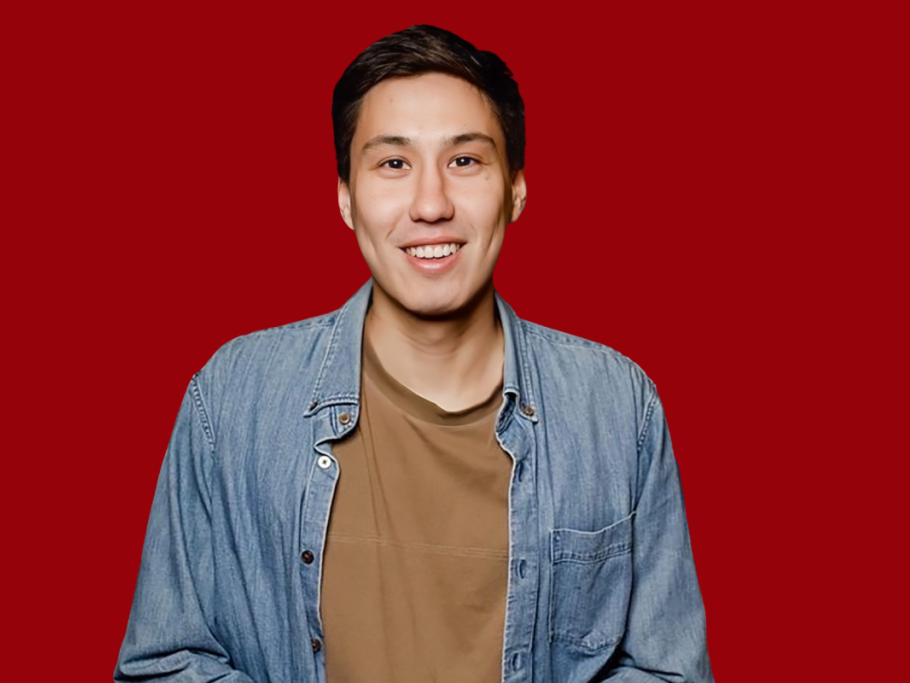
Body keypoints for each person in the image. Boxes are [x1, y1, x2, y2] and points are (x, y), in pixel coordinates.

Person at [114, 24, 714, 683]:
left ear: (516, 190)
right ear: (346, 196)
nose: (431, 205)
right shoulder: (233, 398)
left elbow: (668, 670)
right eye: (393, 164)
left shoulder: (616, 406)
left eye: (465, 161)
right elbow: (162, 663)